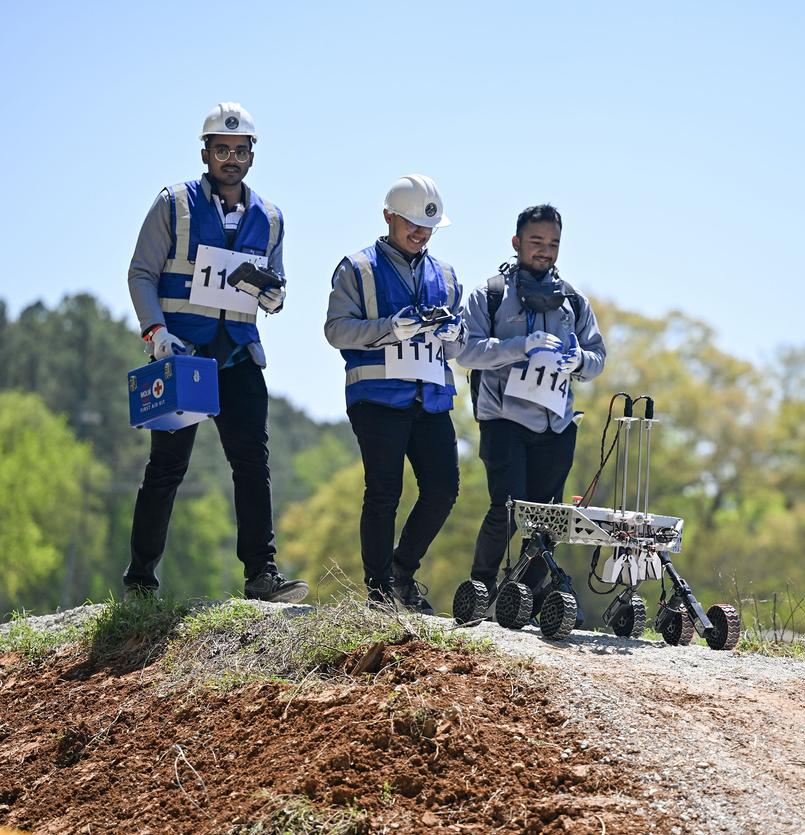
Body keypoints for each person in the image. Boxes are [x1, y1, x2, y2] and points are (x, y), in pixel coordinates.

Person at [122, 102, 307, 604]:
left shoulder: (270, 218)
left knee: (252, 463)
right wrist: (154, 331)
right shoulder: (173, 204)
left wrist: (271, 292)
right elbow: (141, 272)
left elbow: (278, 294)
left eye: (240, 150)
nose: (231, 158)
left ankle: (262, 576)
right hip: (182, 355)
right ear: (205, 152)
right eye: (221, 149)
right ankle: (140, 579)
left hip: (240, 355)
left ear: (252, 154)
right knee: (166, 468)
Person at [324, 174, 465, 614]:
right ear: (389, 216)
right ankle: (380, 588)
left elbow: (461, 346)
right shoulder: (357, 267)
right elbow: (336, 330)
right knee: (384, 491)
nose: (420, 233)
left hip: (430, 397)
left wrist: (457, 334)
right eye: (411, 224)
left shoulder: (445, 273)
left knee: (443, 489)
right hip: (377, 397)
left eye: (428, 227)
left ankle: (403, 572)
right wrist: (389, 329)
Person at [456, 204, 606, 616]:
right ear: (516, 242)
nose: (545, 250)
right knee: (506, 507)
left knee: (547, 518)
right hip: (504, 420)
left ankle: (525, 599)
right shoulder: (487, 294)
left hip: (556, 424)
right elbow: (466, 351)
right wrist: (520, 347)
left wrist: (577, 361)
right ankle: (480, 590)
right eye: (537, 241)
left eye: (553, 243)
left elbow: (597, 358)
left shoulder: (574, 301)